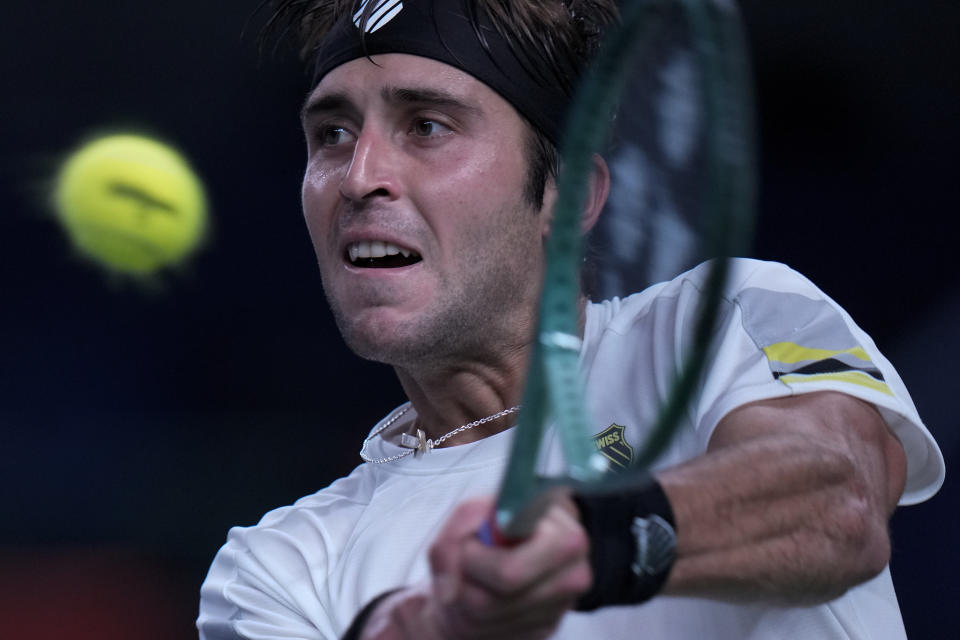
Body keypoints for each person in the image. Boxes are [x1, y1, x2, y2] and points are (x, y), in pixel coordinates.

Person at [198, 1, 945, 638]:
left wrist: (592, 543)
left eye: (426, 126)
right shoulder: (277, 567)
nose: (359, 176)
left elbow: (838, 502)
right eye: (332, 134)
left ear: (571, 198)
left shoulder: (731, 316)